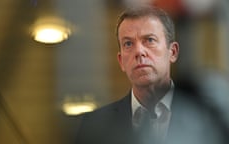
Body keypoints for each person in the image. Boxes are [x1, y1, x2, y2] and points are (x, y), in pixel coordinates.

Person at [75, 5, 228, 144]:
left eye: (149, 40)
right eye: (128, 44)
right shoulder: (94, 124)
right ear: (121, 61)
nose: (139, 52)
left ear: (172, 52)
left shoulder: (207, 119)